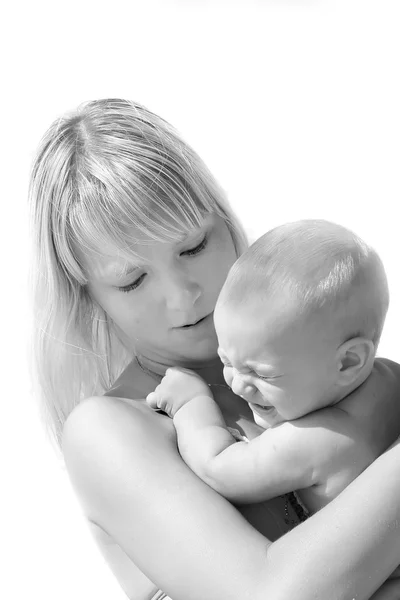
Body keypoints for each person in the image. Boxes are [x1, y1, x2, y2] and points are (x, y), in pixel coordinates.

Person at [29, 98, 400, 600]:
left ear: (224, 222)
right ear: (89, 297)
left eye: (194, 247)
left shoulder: (311, 361)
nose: (184, 295)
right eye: (133, 280)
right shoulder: (110, 428)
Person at [146, 219, 397, 515]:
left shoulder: (321, 438)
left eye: (262, 374)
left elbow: (221, 469)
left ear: (348, 362)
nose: (237, 384)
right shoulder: (390, 378)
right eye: (226, 360)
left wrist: (191, 403)